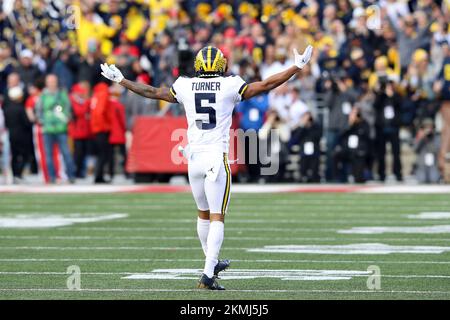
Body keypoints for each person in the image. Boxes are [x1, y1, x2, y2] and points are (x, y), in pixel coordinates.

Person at [101, 44, 313, 290]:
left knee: (203, 213)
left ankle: (210, 264)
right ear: (220, 65)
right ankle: (208, 273)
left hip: (193, 159)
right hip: (215, 158)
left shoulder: (185, 85)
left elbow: (151, 91)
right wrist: (296, 67)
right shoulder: (230, 84)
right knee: (217, 217)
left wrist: (122, 80)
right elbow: (266, 85)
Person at [36, 74, 75, 184]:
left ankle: (71, 176)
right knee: (48, 155)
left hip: (61, 128)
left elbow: (68, 107)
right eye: (50, 81)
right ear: (46, 83)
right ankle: (51, 178)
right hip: (47, 129)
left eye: (53, 81)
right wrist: (42, 121)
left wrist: (66, 118)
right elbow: (38, 110)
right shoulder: (43, 95)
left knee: (66, 153)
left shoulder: (62, 94)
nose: (52, 83)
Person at [3, 86, 31, 183]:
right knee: (24, 155)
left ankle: (15, 174)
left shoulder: (6, 109)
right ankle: (18, 174)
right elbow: (27, 123)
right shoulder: (20, 108)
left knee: (14, 155)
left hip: (10, 134)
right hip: (22, 135)